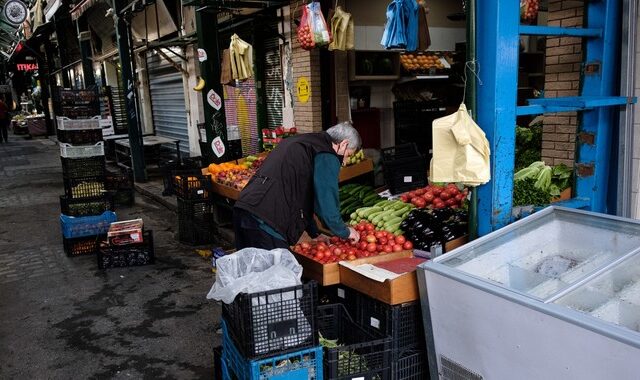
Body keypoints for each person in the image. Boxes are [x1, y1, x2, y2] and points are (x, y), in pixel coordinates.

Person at [233, 122, 362, 250]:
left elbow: (303, 197)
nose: (344, 162)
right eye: (348, 155)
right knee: (278, 270)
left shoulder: (304, 142)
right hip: (268, 221)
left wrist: (315, 233)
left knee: (250, 268)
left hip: (245, 209)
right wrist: (344, 231)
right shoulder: (327, 153)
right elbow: (326, 198)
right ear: (343, 144)